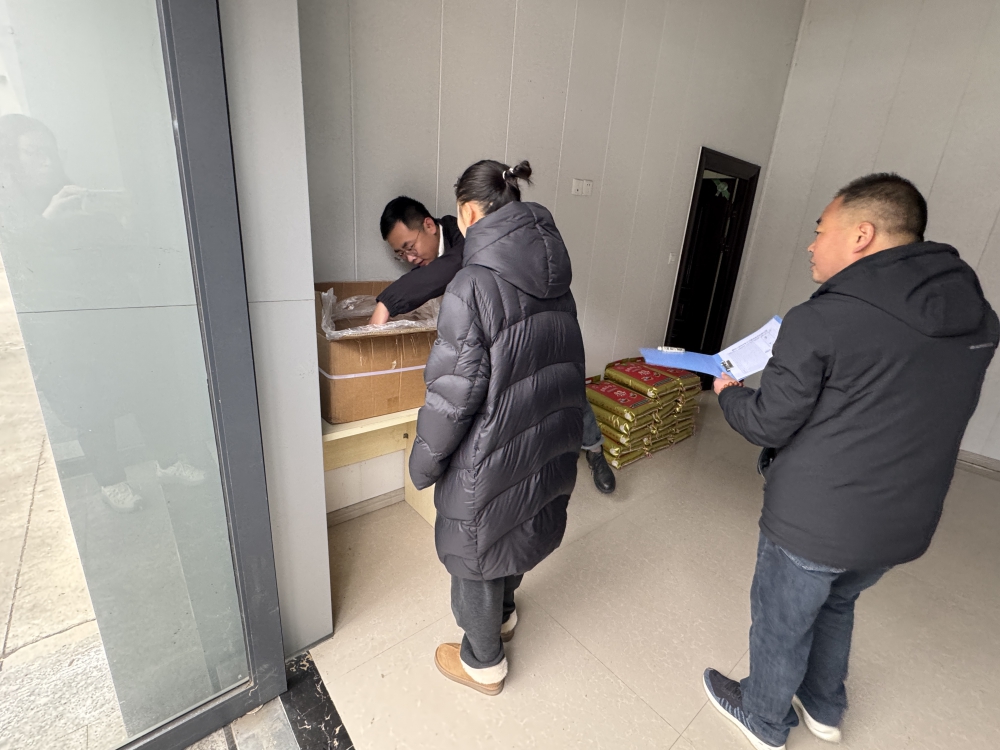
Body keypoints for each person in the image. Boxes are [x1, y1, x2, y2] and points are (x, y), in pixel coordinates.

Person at [702, 173, 998, 749]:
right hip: (903, 522)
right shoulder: (977, 318)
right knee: (838, 602)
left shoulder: (823, 319)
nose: (811, 245)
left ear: (862, 234)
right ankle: (824, 706)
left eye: (820, 231)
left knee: (783, 619)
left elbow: (767, 422)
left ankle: (763, 718)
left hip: (817, 518)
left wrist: (728, 392)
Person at [409, 159, 586, 695]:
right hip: (541, 435)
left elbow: (452, 393)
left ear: (468, 212)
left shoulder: (472, 284)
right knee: (519, 522)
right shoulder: (557, 278)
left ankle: (483, 661)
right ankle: (505, 614)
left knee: (476, 547)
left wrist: (423, 461)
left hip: (490, 447)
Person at [373, 197, 617, 494]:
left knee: (563, 386)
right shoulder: (440, 251)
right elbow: (429, 278)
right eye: (401, 254)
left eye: (409, 247)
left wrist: (387, 304)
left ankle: (594, 450)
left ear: (428, 225)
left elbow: (451, 267)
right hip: (501, 331)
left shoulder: (465, 237)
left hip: (531, 320)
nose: (409, 258)